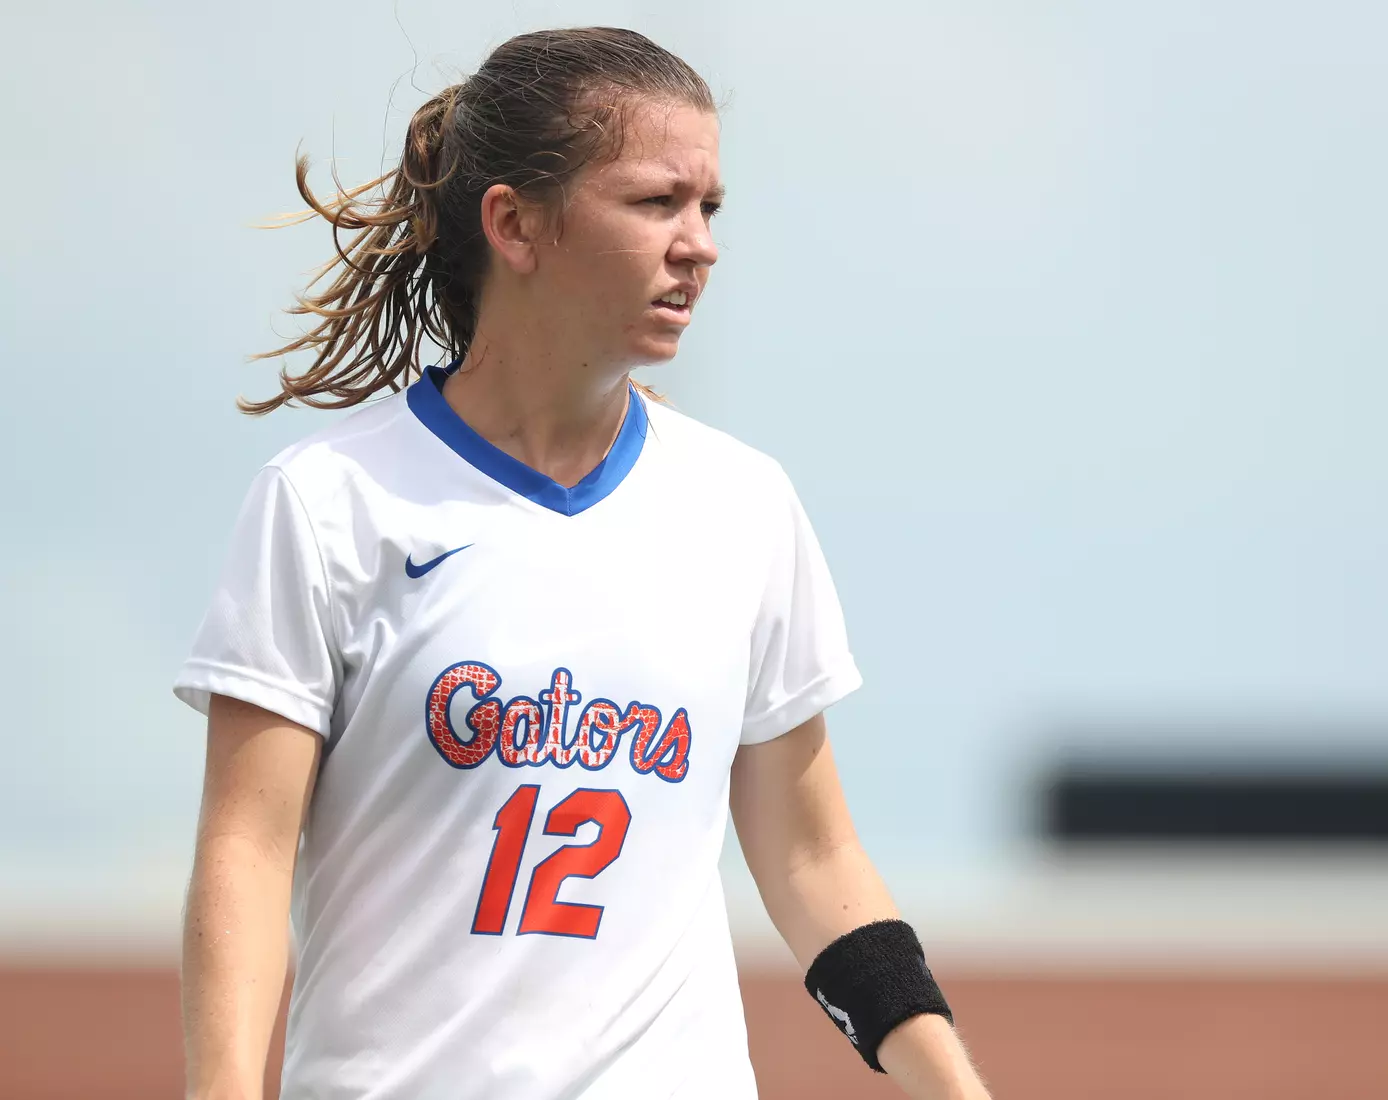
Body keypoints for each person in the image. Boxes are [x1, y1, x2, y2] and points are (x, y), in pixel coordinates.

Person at [177, 26, 990, 1100]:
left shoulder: (742, 504)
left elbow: (812, 861)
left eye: (709, 207)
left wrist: (952, 1086)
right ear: (514, 224)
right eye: (657, 202)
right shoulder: (328, 502)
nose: (698, 245)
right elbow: (245, 853)